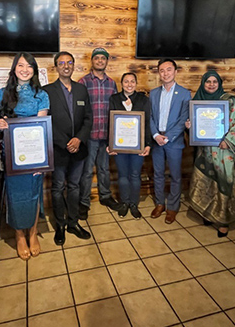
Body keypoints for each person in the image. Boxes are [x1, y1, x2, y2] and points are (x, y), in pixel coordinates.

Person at [0, 53, 50, 260]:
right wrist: (0, 124)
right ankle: (19, 235)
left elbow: (41, 125)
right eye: (21, 65)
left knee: (34, 192)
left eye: (29, 66)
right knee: (15, 194)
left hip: (34, 152)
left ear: (34, 70)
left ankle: (33, 232)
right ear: (14, 68)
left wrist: (41, 158)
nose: (25, 69)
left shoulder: (41, 94)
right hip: (11, 154)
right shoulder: (2, 93)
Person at [187, 71, 235, 237]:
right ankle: (208, 213)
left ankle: (223, 221)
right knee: (206, 180)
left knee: (224, 181)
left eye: (215, 82)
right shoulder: (197, 101)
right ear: (203, 83)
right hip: (204, 150)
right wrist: (189, 126)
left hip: (223, 151)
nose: (211, 84)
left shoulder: (229, 101)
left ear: (219, 83)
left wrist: (227, 141)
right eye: (208, 82)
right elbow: (196, 128)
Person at [42, 51, 93, 245]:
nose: (66, 66)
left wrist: (78, 139)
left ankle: (73, 223)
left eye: (69, 62)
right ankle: (60, 226)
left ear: (73, 65)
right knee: (57, 188)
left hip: (79, 149)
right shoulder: (47, 91)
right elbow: (46, 121)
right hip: (58, 148)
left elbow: (89, 118)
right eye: (62, 63)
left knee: (74, 187)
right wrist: (65, 142)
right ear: (56, 66)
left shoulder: (81, 90)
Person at [78, 47, 119, 218]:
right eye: (97, 58)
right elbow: (78, 109)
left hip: (106, 135)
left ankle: (105, 196)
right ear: (92, 61)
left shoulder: (112, 83)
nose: (100, 61)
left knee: (104, 169)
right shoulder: (83, 82)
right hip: (89, 135)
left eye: (103, 58)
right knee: (87, 171)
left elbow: (117, 109)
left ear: (106, 61)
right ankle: (83, 202)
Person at [149, 59, 191, 224]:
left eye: (168, 70)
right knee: (158, 174)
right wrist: (155, 135)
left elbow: (183, 119)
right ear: (158, 73)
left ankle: (173, 207)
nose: (165, 73)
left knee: (175, 176)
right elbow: (150, 117)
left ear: (175, 71)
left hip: (174, 141)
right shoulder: (153, 93)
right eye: (162, 70)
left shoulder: (184, 93)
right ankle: (160, 204)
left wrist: (169, 137)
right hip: (156, 140)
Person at [107, 72, 151, 219]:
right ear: (122, 84)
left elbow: (147, 123)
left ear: (136, 84)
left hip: (138, 145)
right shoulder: (114, 99)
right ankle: (124, 203)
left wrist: (147, 144)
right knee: (123, 175)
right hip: (120, 146)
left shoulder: (143, 99)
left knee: (135, 175)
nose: (129, 84)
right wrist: (110, 144)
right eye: (126, 81)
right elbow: (110, 123)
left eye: (132, 81)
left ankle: (134, 204)